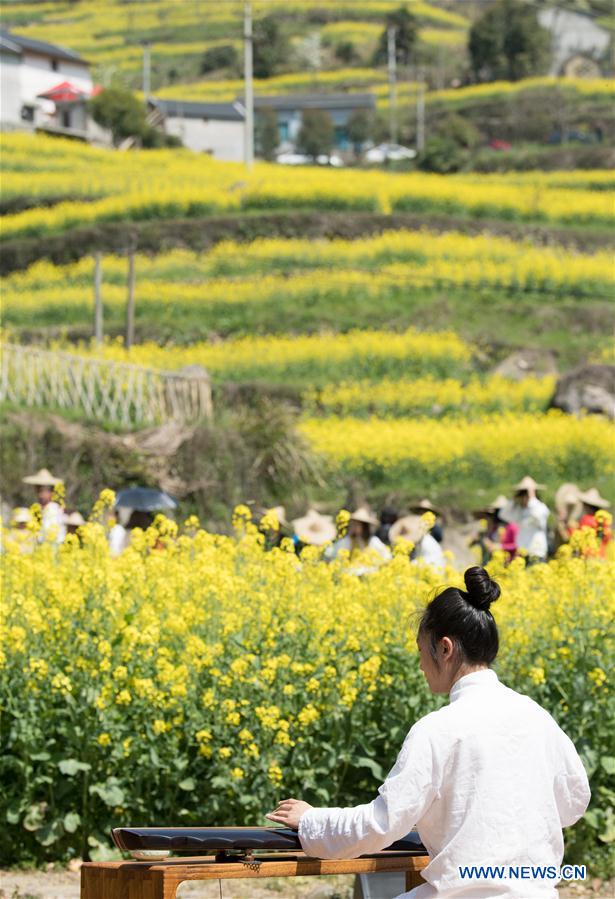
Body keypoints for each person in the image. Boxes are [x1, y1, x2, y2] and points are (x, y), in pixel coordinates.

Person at [266, 567, 590, 898]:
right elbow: (574, 803)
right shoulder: (538, 718)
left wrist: (310, 821)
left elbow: (381, 825)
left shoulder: (438, 729)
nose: (421, 664)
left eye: (422, 650)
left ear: (445, 649)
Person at [499, 476, 550, 563]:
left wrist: (532, 497)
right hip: (522, 553)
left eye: (525, 494)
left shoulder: (541, 507)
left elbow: (538, 517)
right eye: (522, 494)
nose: (524, 497)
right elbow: (503, 515)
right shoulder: (520, 511)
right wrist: (513, 499)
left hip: (536, 553)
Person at [324, 507, 392, 565]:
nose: (354, 526)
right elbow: (331, 553)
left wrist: (374, 562)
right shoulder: (348, 540)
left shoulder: (372, 541)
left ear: (364, 526)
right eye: (353, 524)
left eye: (357, 524)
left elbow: (387, 557)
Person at [21, 468, 66, 544]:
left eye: (43, 491)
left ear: (51, 492)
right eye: (38, 490)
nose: (40, 495)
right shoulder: (37, 508)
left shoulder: (54, 509)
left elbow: (51, 534)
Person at [470, 495, 518, 565]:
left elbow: (518, 546)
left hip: (508, 563)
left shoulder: (512, 526)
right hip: (492, 563)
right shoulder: (494, 527)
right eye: (496, 511)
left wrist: (500, 547)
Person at [571, 487, 612, 557]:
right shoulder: (603, 521)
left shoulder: (586, 519)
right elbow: (607, 538)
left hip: (588, 553)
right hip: (601, 553)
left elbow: (578, 537)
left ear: (587, 506)